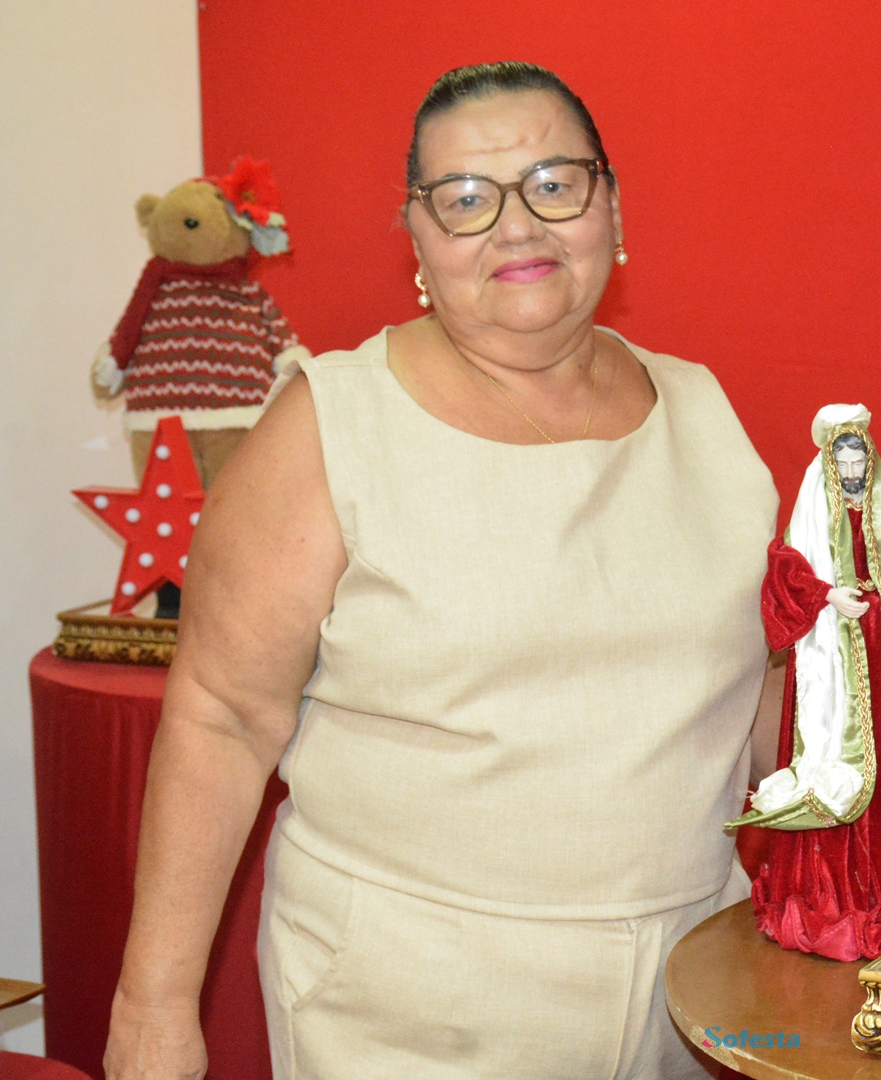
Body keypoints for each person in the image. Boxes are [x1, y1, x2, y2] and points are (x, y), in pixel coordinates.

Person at [103, 62, 778, 1080]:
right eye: (465, 199)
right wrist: (152, 1006)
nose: (518, 226)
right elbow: (221, 720)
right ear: (417, 236)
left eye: (554, 183)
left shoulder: (704, 413)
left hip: (689, 999)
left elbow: (756, 705)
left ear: (611, 206)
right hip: (407, 1011)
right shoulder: (331, 424)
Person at [732, 404, 881, 961]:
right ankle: (835, 896)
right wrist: (827, 596)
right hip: (838, 652)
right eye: (841, 461)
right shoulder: (814, 510)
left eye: (857, 460)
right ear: (829, 462)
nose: (850, 469)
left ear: (869, 461)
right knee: (842, 757)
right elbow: (786, 572)